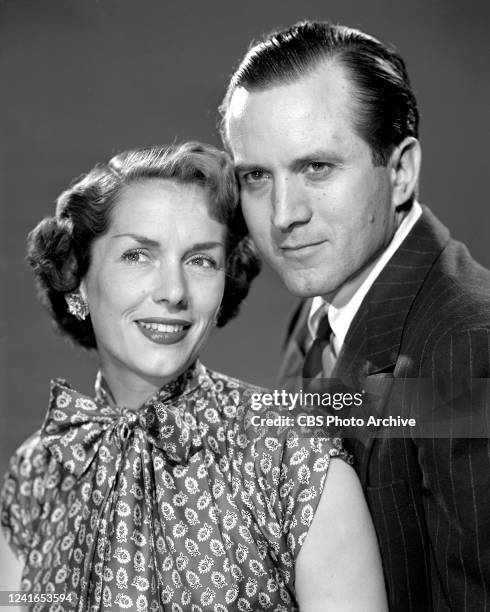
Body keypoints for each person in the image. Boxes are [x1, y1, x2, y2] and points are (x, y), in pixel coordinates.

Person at [0, 143, 387, 611]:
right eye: (138, 255)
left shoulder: (294, 455)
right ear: (77, 277)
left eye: (201, 260)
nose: (173, 292)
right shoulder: (36, 472)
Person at [220, 20, 490, 612]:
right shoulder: (319, 312)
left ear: (399, 173)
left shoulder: (467, 346)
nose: (284, 215)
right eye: (257, 176)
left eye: (317, 167)